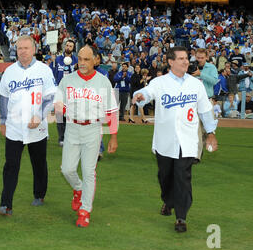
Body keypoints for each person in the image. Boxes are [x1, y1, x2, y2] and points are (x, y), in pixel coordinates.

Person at [132, 46, 218, 233]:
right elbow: (146, 93)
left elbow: (204, 110)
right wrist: (140, 96)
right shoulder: (160, 82)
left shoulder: (196, 85)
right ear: (171, 62)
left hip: (187, 140)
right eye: (181, 59)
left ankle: (181, 217)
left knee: (183, 177)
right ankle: (168, 201)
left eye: (186, 58)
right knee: (165, 176)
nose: (186, 61)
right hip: (165, 140)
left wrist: (210, 133)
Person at [54, 45, 118, 228]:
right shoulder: (67, 80)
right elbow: (58, 104)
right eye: (80, 58)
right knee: (67, 169)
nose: (82, 63)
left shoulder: (103, 82)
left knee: (89, 172)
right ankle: (78, 189)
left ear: (96, 61)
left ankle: (85, 211)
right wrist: (62, 107)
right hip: (73, 127)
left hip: (93, 129)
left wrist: (113, 137)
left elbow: (112, 111)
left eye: (86, 59)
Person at [0, 35, 56, 216]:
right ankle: (6, 205)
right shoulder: (10, 71)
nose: (22, 51)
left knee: (38, 163)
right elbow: (3, 98)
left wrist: (39, 116)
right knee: (11, 165)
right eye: (19, 48)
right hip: (14, 127)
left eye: (26, 48)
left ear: (34, 50)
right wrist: (3, 121)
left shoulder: (44, 70)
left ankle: (39, 194)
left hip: (37, 126)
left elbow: (51, 97)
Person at [191, 48, 218, 163]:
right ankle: (196, 156)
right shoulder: (190, 67)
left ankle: (204, 146)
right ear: (195, 56)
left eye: (202, 58)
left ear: (207, 57)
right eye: (198, 57)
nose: (200, 60)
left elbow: (214, 81)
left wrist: (200, 74)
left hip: (207, 100)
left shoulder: (211, 67)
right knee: (195, 129)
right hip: (194, 102)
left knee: (207, 129)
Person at [53, 39, 78, 146]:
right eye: (67, 45)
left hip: (72, 92)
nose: (68, 47)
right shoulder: (57, 59)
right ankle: (61, 138)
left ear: (73, 48)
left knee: (70, 115)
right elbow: (53, 75)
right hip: (60, 90)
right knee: (59, 115)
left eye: (70, 46)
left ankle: (69, 136)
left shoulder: (76, 60)